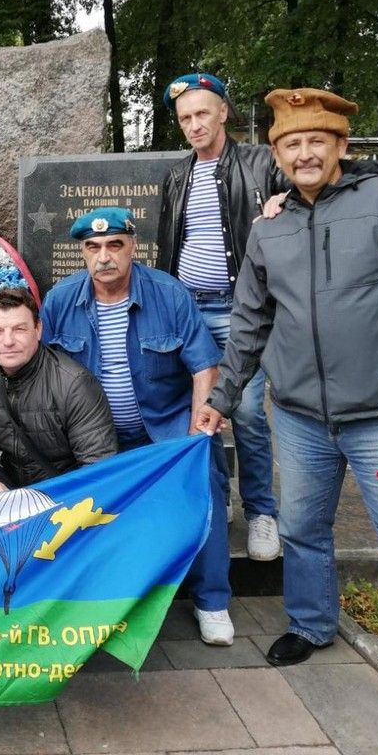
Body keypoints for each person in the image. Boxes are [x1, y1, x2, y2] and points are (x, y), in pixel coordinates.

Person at [194, 88, 378, 741]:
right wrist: (222, 399)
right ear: (277, 155)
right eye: (290, 144)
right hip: (300, 417)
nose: (303, 153)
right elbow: (249, 321)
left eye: (315, 142)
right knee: (302, 528)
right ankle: (309, 622)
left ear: (338, 147)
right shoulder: (269, 227)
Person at [40, 207, 233, 646]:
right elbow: (45, 372)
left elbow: (204, 367)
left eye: (114, 246)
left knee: (203, 482)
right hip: (92, 437)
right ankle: (93, 604)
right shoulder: (60, 301)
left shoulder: (169, 294)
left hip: (164, 431)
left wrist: (195, 434)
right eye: (92, 248)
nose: (103, 257)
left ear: (133, 247)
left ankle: (212, 600)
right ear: (83, 253)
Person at [157, 72, 281, 560]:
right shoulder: (176, 176)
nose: (194, 124)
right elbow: (172, 245)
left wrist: (285, 201)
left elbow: (320, 190)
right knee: (199, 412)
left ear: (224, 112)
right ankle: (218, 495)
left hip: (239, 309)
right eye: (185, 118)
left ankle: (262, 512)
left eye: (202, 113)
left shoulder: (262, 163)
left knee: (247, 411)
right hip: (188, 309)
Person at [0, 287, 117, 492]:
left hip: (65, 493)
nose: (8, 341)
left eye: (19, 329)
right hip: (10, 487)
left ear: (38, 329)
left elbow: (98, 469)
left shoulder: (74, 384)